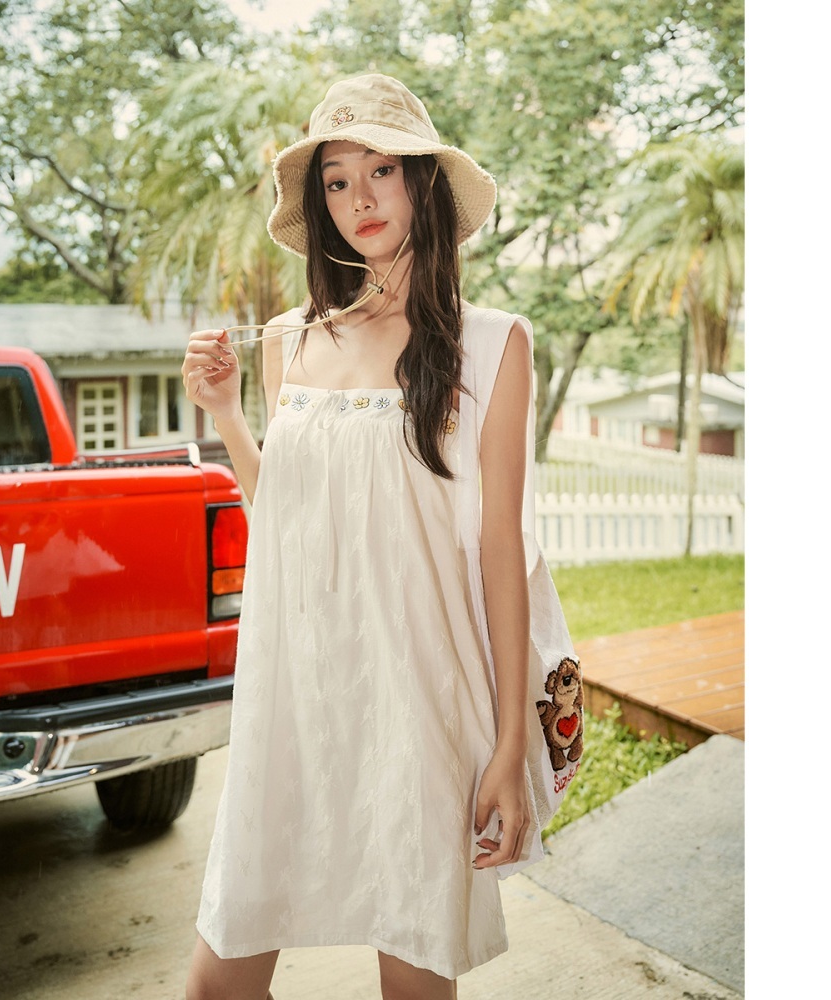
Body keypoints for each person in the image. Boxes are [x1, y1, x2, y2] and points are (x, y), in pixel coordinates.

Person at [180, 73, 579, 1000]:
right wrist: (227, 415)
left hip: (420, 697)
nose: (359, 196)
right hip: (296, 695)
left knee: (413, 979)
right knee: (217, 982)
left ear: (422, 183)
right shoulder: (288, 339)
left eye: (382, 170)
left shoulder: (493, 344)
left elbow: (502, 552)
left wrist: (507, 747)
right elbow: (289, 523)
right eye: (336, 180)